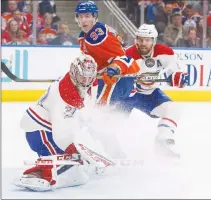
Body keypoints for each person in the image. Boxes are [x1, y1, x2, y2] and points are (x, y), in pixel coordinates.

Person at [13, 54, 114, 191]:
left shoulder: (91, 79)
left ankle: (51, 170)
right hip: (40, 130)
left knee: (80, 164)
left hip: (52, 127)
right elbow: (61, 133)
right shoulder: (65, 92)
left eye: (89, 77)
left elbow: (87, 108)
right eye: (82, 77)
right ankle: (40, 176)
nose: (86, 81)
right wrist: (77, 150)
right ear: (74, 72)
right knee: (75, 169)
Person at [122, 23, 188, 158]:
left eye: (147, 40)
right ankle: (106, 149)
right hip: (127, 95)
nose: (143, 43)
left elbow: (177, 71)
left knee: (174, 108)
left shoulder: (164, 52)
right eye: (140, 40)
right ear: (136, 40)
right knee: (112, 121)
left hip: (149, 95)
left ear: (154, 41)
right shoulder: (127, 54)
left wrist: (178, 77)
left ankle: (162, 142)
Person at [75, 1, 140, 105]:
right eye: (80, 16)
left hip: (117, 79)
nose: (83, 20)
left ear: (94, 16)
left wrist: (114, 69)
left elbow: (122, 57)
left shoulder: (97, 34)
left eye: (87, 16)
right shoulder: (83, 36)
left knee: (99, 111)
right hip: (108, 78)